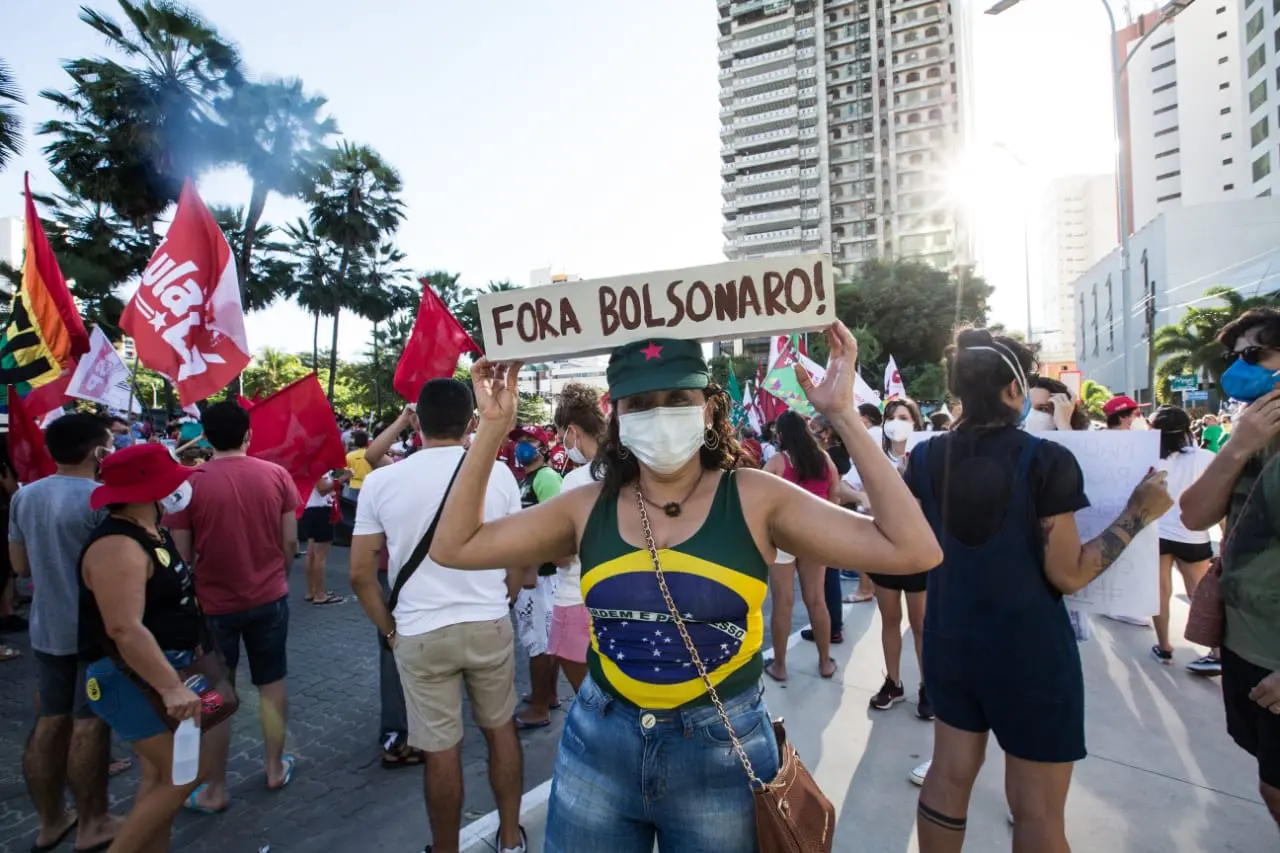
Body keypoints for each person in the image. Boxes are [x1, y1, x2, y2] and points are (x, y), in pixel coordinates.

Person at [429, 326, 942, 851]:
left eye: (677, 398)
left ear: (707, 409)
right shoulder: (586, 506)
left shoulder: (754, 497)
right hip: (597, 746)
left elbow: (914, 551)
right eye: (640, 403)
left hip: (723, 751)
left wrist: (843, 415)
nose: (660, 414)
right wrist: (491, 428)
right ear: (618, 420)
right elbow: (455, 547)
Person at [909, 328, 1171, 853]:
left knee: (948, 776)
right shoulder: (1047, 460)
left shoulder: (925, 456)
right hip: (1027, 651)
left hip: (950, 639)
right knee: (1036, 811)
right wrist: (1138, 513)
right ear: (1014, 390)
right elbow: (1069, 573)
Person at [349, 378, 528, 853]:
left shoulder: (383, 481)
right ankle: (511, 839)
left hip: (419, 631)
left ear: (417, 423)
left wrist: (389, 629)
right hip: (488, 621)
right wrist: (504, 600)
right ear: (471, 421)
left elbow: (361, 574)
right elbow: (520, 557)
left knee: (440, 750)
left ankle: (445, 848)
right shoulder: (501, 474)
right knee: (501, 730)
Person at [78, 443, 225, 853]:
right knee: (186, 773)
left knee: (160, 779)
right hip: (133, 677)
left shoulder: (149, 529)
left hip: (161, 670)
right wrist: (171, 688)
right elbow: (124, 628)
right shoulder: (117, 545)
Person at [167, 401, 301, 811]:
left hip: (213, 606)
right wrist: (275, 573)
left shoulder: (189, 484)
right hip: (270, 597)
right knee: (272, 683)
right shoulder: (276, 475)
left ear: (205, 435)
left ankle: (215, 788)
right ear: (248, 434)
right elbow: (290, 544)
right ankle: (275, 767)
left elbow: (181, 556)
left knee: (216, 694)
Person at [1180, 307, 1280, 827]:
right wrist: (1238, 446)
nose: (1240, 369)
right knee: (1270, 783)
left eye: (1254, 355)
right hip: (1246, 642)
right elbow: (1195, 513)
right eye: (1234, 357)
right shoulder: (1247, 436)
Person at [11, 413, 122, 853]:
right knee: (88, 725)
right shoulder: (102, 499)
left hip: (46, 628)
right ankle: (93, 822)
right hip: (91, 632)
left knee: (49, 722)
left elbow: (20, 568)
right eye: (109, 444)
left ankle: (50, 820)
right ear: (98, 452)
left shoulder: (26, 497)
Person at [855, 397, 934, 717]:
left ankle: (929, 688)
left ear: (916, 422)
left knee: (920, 624)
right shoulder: (876, 457)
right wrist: (862, 497)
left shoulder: (928, 456)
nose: (897, 422)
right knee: (890, 619)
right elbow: (847, 486)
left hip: (918, 554)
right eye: (891, 417)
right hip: (885, 552)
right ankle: (893, 682)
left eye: (904, 416)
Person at [763, 410, 839, 680]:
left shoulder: (777, 462)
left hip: (783, 537)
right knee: (817, 600)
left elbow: (759, 501)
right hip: (815, 537)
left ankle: (780, 666)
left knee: (783, 601)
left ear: (781, 435)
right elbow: (834, 499)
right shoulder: (825, 460)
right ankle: (824, 663)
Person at [1146, 406, 1218, 670]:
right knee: (1199, 594)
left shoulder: (1153, 460)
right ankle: (1217, 652)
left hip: (1157, 532)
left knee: (1160, 592)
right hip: (1193, 532)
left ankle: (1164, 647)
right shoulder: (1206, 457)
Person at [548, 383, 607, 693]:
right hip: (624, 601)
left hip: (577, 599)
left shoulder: (575, 481)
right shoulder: (632, 471)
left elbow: (562, 554)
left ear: (572, 430)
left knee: (592, 705)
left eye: (561, 436)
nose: (561, 443)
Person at [509, 425, 564, 729]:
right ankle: (549, 694)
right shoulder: (527, 480)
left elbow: (555, 528)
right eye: (520, 442)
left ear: (543, 448)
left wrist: (531, 568)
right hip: (534, 573)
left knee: (537, 644)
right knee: (544, 640)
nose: (523, 447)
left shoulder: (545, 478)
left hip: (539, 576)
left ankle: (540, 708)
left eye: (530, 442)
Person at [299, 471, 347, 605]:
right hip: (320, 511)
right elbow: (322, 489)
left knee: (311, 553)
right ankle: (319, 594)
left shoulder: (309, 464)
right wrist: (343, 478)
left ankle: (312, 591)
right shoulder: (316, 466)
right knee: (320, 555)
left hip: (311, 509)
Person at [346, 430, 374, 502]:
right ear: (367, 442)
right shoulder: (373, 455)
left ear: (355, 442)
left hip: (353, 485)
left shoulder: (349, 456)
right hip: (368, 486)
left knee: (352, 510)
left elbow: (346, 473)